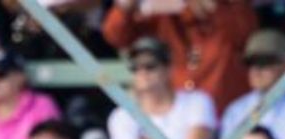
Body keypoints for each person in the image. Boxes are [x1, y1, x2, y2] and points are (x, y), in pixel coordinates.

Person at [100, 0, 258, 111]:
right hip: (175, 125)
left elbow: (245, 33)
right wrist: (126, 5)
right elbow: (116, 36)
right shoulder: (164, 16)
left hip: (226, 124)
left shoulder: (233, 13)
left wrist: (215, 7)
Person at [106, 37, 215, 139]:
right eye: (135, 67)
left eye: (150, 66)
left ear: (168, 69)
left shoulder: (197, 101)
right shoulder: (121, 115)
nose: (142, 72)